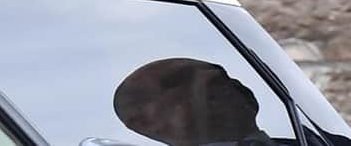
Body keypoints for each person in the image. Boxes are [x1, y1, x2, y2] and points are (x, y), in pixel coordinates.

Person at [113, 58, 276, 146]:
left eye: (223, 73)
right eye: (177, 80)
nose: (210, 76)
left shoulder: (300, 131)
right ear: (145, 121)